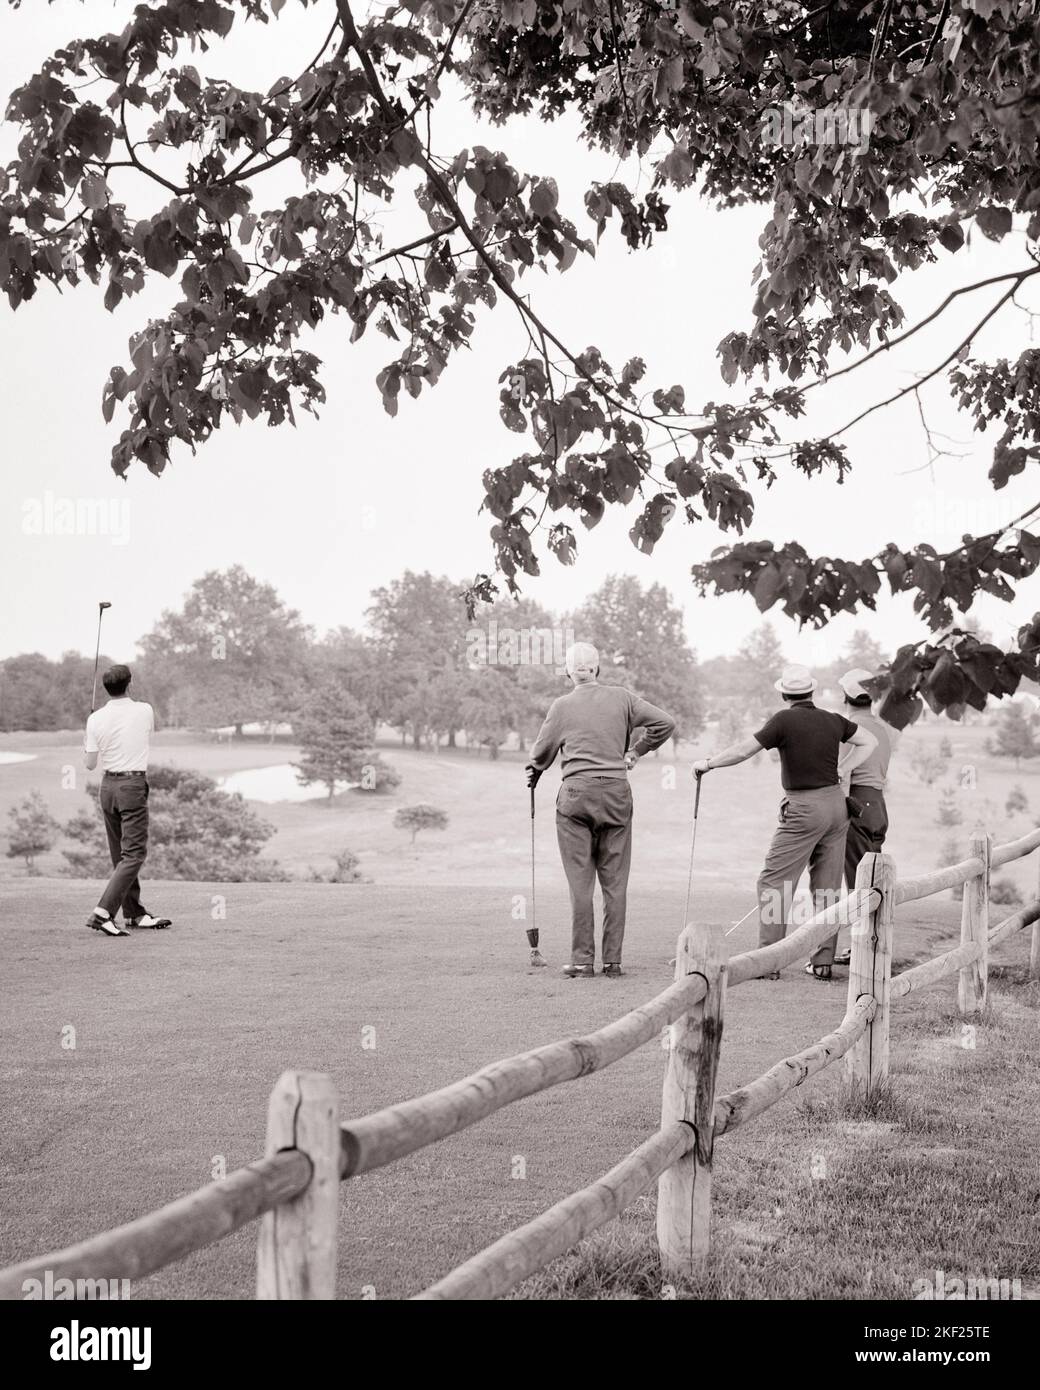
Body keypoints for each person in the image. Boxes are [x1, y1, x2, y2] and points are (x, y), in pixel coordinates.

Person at [692, 664, 876, 981]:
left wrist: (707, 764)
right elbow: (869, 742)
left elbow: (742, 751)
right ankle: (822, 962)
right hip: (837, 807)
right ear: (811, 691)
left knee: (773, 883)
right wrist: (844, 769)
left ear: (783, 693)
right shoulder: (833, 719)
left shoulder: (784, 720)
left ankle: (769, 960)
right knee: (827, 889)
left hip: (805, 809)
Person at [525, 642, 676, 978]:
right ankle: (612, 962)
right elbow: (665, 723)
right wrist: (636, 751)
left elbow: (540, 755)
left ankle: (581, 961)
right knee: (615, 884)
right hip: (615, 795)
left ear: (568, 671)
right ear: (597, 668)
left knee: (581, 885)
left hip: (576, 797)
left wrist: (537, 768)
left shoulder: (562, 705)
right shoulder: (622, 698)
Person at [83, 664, 171, 936]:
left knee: (121, 855)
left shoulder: (95, 719)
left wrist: (89, 732)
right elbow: (145, 733)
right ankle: (103, 913)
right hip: (131, 785)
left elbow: (89, 764)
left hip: (107, 787)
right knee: (134, 854)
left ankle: (134, 913)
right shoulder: (144, 710)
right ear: (129, 685)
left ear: (107, 688)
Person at [831, 667, 898, 966]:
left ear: (846, 695)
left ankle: (862, 950)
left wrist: (837, 810)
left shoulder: (850, 728)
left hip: (857, 801)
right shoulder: (882, 729)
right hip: (878, 804)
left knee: (858, 881)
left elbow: (842, 772)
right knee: (872, 878)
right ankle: (872, 945)